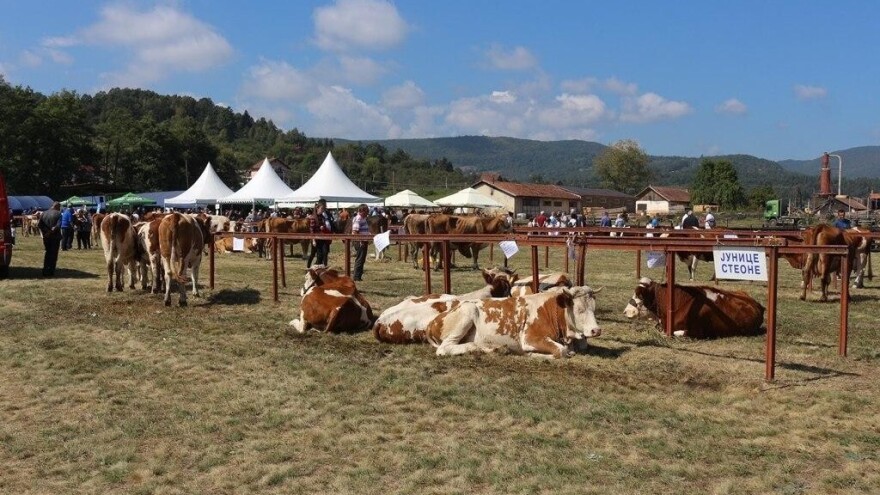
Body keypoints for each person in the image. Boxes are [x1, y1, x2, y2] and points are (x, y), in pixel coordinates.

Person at [38, 202, 63, 276]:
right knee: (54, 254)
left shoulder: (44, 213)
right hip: (55, 237)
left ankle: (45, 269)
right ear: (57, 206)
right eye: (59, 207)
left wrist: (45, 233)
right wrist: (50, 232)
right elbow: (57, 226)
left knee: (47, 252)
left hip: (46, 237)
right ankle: (51, 270)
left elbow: (40, 225)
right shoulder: (58, 214)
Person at [307, 202, 333, 268]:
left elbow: (324, 225)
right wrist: (313, 240)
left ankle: (324, 266)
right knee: (312, 254)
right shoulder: (313, 217)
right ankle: (308, 267)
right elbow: (312, 230)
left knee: (324, 252)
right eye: (322, 208)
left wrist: (323, 227)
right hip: (316, 239)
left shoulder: (323, 217)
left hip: (322, 237)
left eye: (323, 209)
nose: (323, 210)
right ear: (317, 208)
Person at [351, 204, 370, 281]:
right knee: (360, 258)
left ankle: (359, 275)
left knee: (362, 258)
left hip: (363, 241)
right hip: (360, 242)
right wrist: (361, 240)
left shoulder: (363, 218)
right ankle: (356, 276)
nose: (368, 212)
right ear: (362, 211)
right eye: (366, 211)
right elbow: (355, 231)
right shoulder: (358, 219)